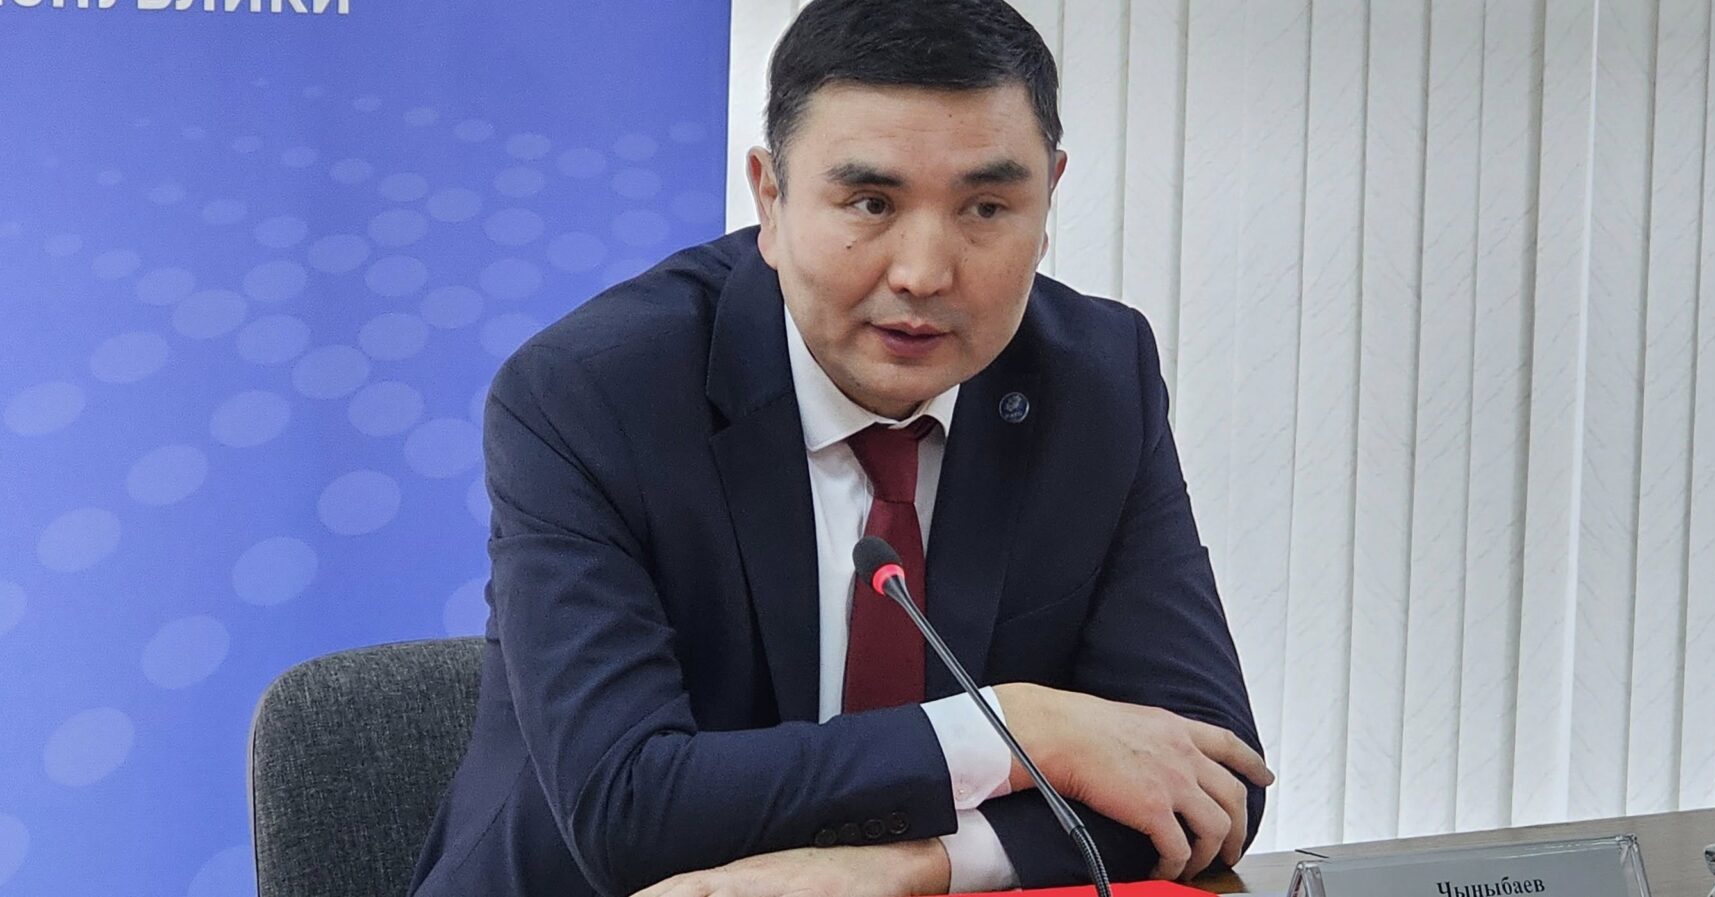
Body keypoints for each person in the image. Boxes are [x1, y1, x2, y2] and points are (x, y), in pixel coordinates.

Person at [408, 2, 1270, 895]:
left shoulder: (1095, 381)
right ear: (770, 198)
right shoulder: (594, 394)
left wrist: (914, 867)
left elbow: (1211, 780)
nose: (924, 272)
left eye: (985, 206)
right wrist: (1017, 730)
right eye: (870, 202)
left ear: (1049, 197)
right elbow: (627, 808)